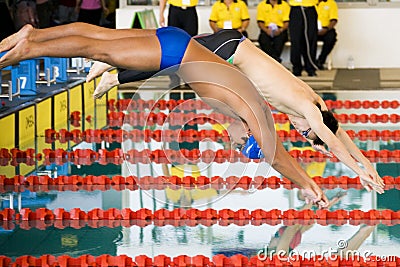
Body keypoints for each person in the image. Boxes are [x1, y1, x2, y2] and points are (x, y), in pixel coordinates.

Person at [0, 23, 330, 208]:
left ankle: (33, 34)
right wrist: (309, 183)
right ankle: (30, 48)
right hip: (175, 51)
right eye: (245, 141)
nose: (236, 140)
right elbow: (278, 157)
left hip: (176, 42)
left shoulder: (235, 108)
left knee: (98, 37)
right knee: (96, 47)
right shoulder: (254, 113)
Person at [83, 29, 384, 195]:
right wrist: (358, 171)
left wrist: (366, 160)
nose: (299, 131)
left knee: (164, 44)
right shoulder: (308, 109)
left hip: (233, 44)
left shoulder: (316, 102)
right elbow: (330, 138)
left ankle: (111, 65)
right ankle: (113, 71)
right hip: (230, 49)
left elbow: (337, 131)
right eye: (306, 133)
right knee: (169, 58)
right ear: (311, 125)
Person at [288, 0, 318, 77]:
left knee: (310, 40)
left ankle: (310, 68)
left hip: (310, 9)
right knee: (296, 41)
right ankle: (296, 68)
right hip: (296, 10)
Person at [315, 0, 338, 70]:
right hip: (312, 30)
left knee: (331, 37)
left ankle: (320, 61)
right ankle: (309, 62)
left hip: (326, 29)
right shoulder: (311, 3)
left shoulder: (331, 3)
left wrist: (326, 29)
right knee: (302, 38)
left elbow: (334, 20)